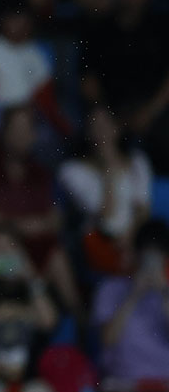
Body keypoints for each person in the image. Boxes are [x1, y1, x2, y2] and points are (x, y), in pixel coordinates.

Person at [0, 106, 81, 314]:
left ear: (34, 135)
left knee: (57, 256)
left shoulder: (40, 172)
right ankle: (25, 318)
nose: (21, 135)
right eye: (16, 129)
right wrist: (16, 226)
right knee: (5, 247)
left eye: (27, 129)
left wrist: (40, 226)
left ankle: (77, 319)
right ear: (4, 132)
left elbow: (55, 219)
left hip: (33, 249)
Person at [80, 0, 169, 173]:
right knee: (86, 140)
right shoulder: (99, 29)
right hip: (111, 112)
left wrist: (149, 113)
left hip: (153, 112)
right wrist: (106, 114)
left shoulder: (162, 28)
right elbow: (87, 80)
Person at [91, 220, 169, 392]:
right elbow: (108, 340)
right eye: (147, 257)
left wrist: (164, 294)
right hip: (125, 386)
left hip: (165, 385)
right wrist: (133, 295)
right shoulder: (111, 289)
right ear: (136, 255)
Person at [59, 106, 152, 275]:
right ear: (87, 133)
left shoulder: (138, 162)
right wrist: (109, 167)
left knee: (154, 253)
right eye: (95, 127)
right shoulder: (73, 171)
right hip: (101, 241)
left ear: (117, 128)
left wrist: (131, 239)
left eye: (106, 125)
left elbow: (143, 210)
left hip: (135, 238)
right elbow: (106, 216)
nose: (102, 133)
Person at [0, 0, 71, 137]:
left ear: (28, 22)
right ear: (1, 20)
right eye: (11, 19)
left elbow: (44, 95)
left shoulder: (35, 52)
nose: (16, 24)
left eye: (20, 19)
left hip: (26, 111)